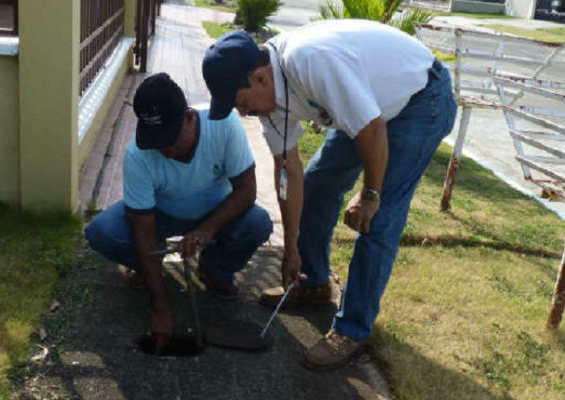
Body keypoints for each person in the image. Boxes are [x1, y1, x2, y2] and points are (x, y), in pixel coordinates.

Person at [202, 20, 457, 370]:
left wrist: (370, 193)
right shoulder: (268, 98)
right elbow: (288, 177)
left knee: (377, 218)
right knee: (317, 185)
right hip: (369, 107)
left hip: (421, 99)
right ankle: (313, 282)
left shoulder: (311, 62)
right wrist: (290, 250)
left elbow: (371, 127)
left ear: (260, 77)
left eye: (241, 102)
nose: (243, 113)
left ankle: (352, 328)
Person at [85, 73, 272, 352]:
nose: (165, 150)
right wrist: (160, 306)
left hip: (214, 211)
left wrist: (206, 230)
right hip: (161, 215)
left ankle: (215, 270)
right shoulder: (137, 155)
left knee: (257, 223)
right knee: (102, 233)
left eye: (170, 139)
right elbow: (142, 227)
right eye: (156, 141)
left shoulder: (223, 123)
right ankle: (149, 272)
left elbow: (246, 190)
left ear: (188, 117)